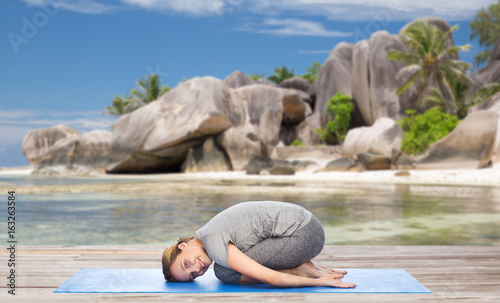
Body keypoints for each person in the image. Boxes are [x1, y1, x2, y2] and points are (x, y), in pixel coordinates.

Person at [161, 201, 356, 288]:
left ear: (182, 246)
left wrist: (318, 282)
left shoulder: (214, 243)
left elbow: (271, 278)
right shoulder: (207, 231)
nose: (197, 269)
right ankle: (301, 265)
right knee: (226, 267)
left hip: (305, 236)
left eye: (186, 264)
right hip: (307, 223)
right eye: (193, 275)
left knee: (224, 272)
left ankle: (300, 269)